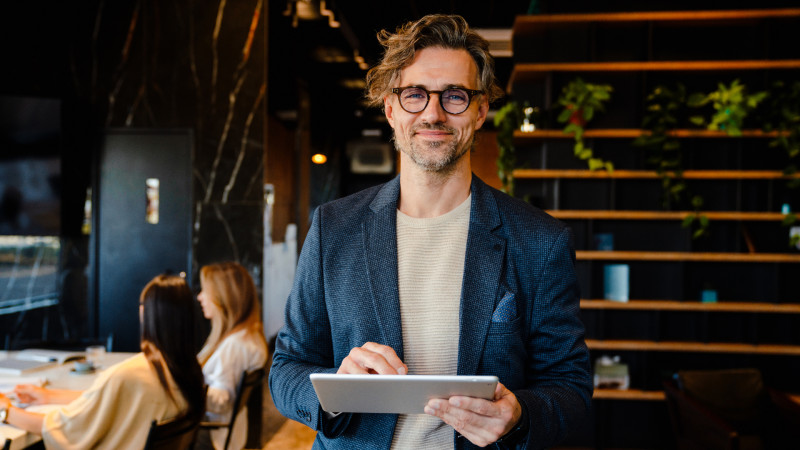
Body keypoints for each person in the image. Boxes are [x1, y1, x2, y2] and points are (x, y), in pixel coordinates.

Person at [268, 13, 593, 450]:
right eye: (414, 95)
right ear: (390, 109)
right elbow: (287, 366)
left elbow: (571, 389)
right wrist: (333, 393)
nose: (433, 113)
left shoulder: (539, 240)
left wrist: (518, 416)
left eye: (454, 96)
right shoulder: (333, 228)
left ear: (480, 111)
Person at [0, 274, 206, 450]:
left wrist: (7, 411)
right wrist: (48, 396)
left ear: (148, 313)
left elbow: (65, 428)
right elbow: (108, 400)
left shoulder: (130, 374)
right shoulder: (185, 368)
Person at [194, 262, 268, 450]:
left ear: (223, 297)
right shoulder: (247, 336)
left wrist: (184, 387)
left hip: (212, 435)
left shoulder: (235, 346)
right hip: (229, 433)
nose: (200, 297)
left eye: (205, 291)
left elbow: (221, 401)